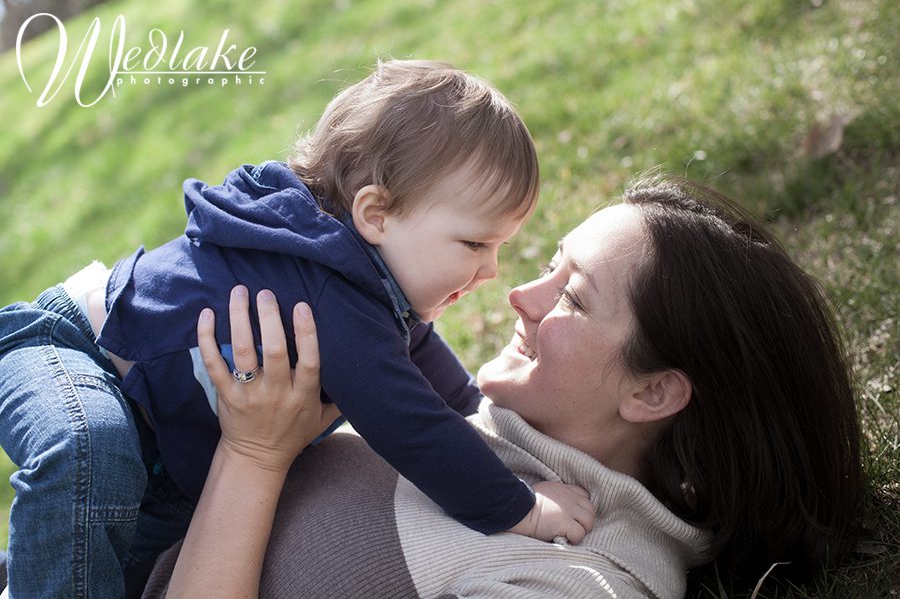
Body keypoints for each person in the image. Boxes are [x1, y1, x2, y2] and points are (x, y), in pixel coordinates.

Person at [0, 60, 595, 599]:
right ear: (376, 214)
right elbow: (412, 425)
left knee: (112, 562)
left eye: (499, 247)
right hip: (75, 351)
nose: (490, 269)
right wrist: (522, 509)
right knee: (89, 449)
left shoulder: (364, 283)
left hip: (159, 441)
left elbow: (427, 370)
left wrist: (478, 418)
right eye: (474, 243)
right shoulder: (325, 283)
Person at [145, 176, 863, 598]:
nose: (521, 295)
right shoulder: (460, 429)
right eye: (549, 266)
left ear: (653, 394)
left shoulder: (581, 580)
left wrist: (253, 456)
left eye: (573, 298)